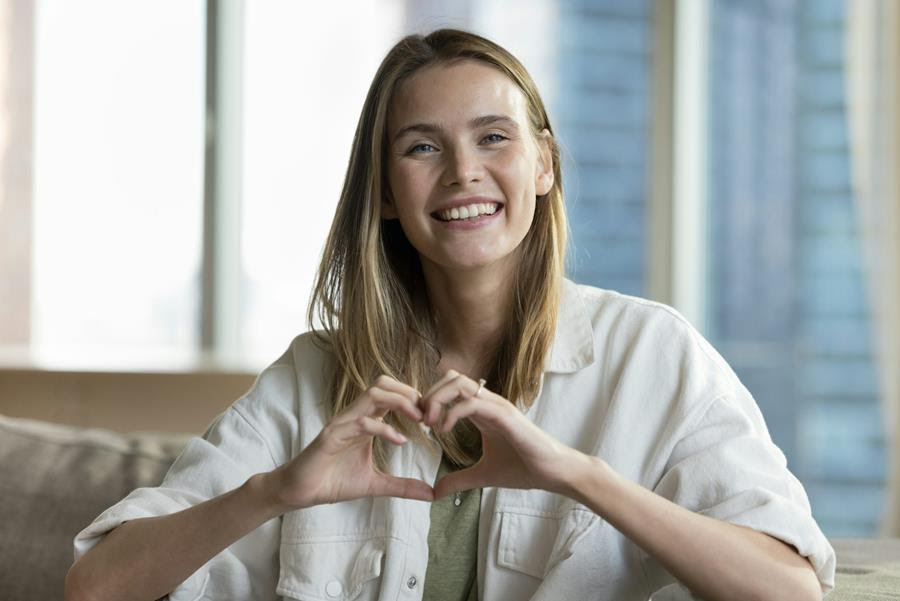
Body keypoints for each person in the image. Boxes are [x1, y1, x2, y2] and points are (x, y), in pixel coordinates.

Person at [65, 29, 835, 601]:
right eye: (422, 147)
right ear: (388, 195)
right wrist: (274, 490)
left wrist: (577, 475)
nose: (464, 171)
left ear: (544, 164)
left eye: (493, 137)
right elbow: (94, 586)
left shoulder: (653, 355)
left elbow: (791, 589)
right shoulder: (315, 378)